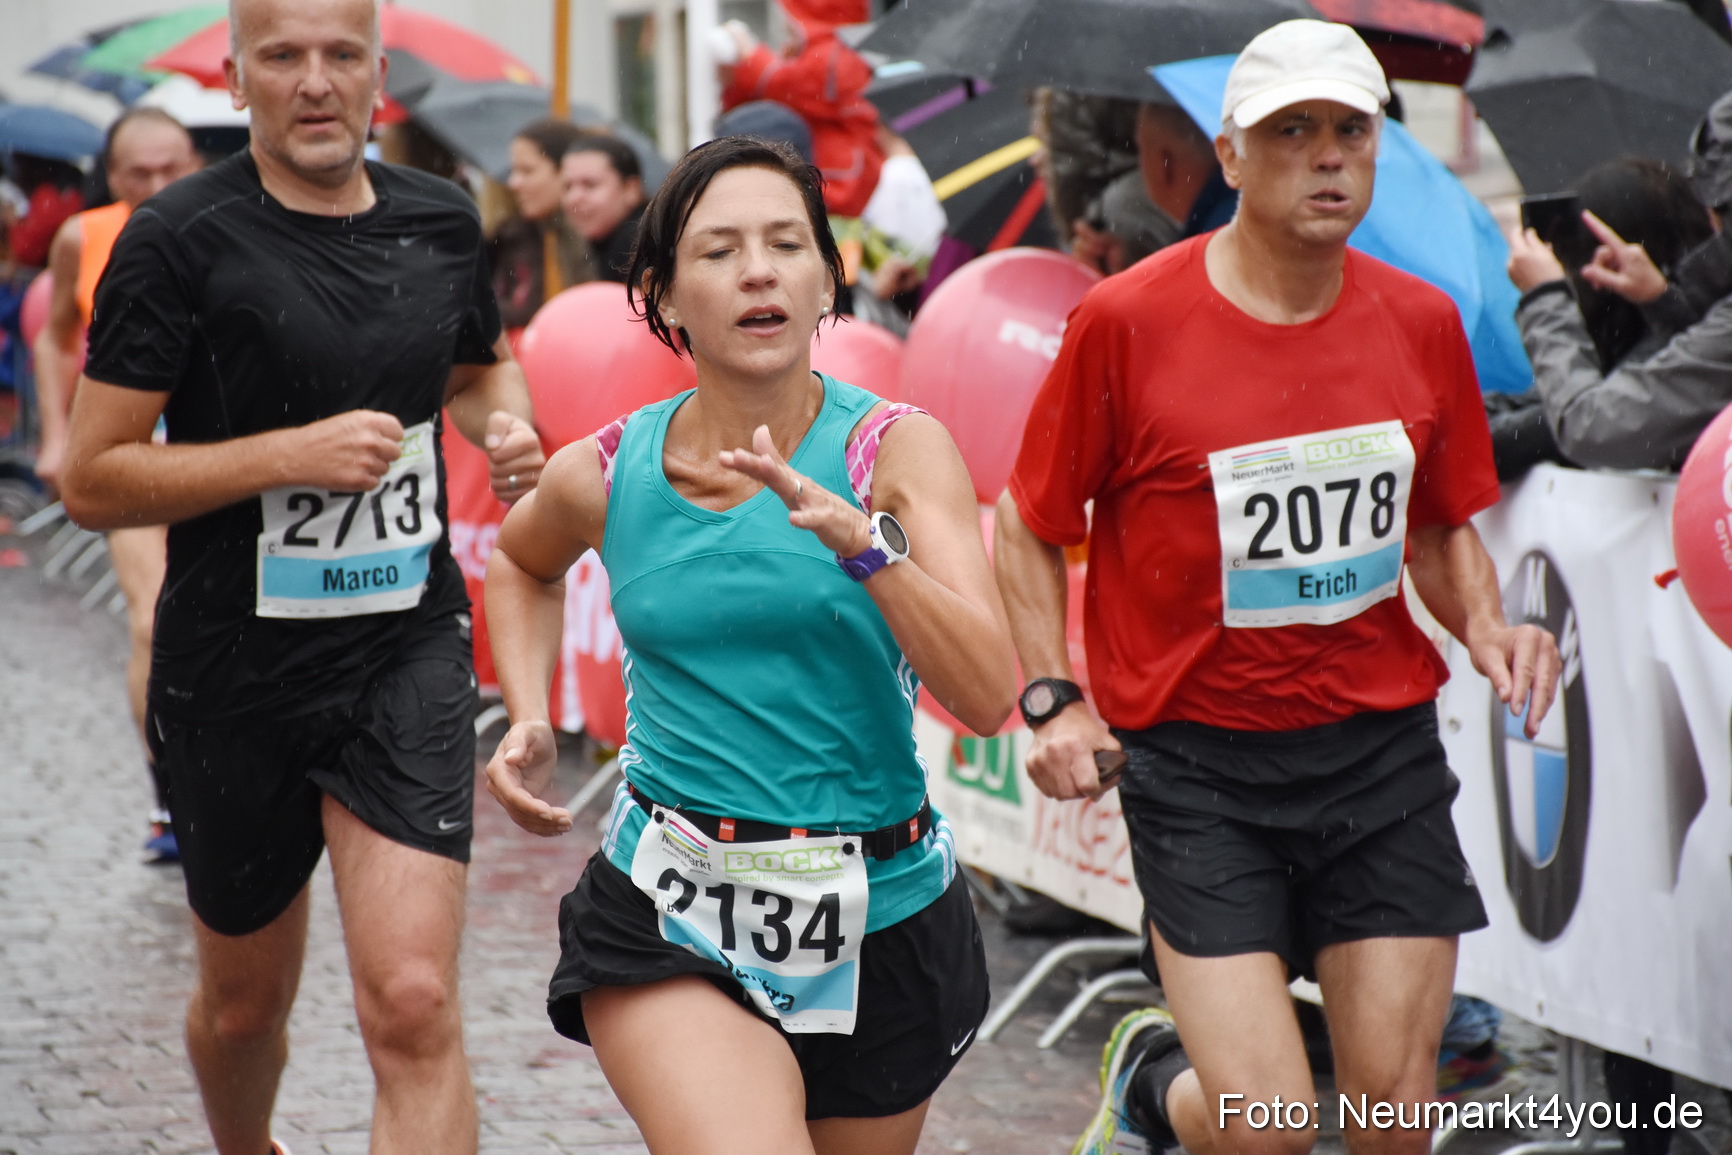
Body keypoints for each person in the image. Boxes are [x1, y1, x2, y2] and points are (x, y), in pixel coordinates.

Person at [991, 21, 1563, 1155]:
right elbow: (1026, 523)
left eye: (1350, 131)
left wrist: (1489, 626)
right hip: (1200, 770)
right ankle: (1158, 1084)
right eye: (1290, 132)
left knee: (1392, 1123)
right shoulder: (1126, 325)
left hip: (1378, 753)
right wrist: (1054, 702)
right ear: (1232, 157)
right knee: (1267, 1130)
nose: (1327, 156)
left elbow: (1440, 526)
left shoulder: (1419, 321)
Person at [57, 0, 544, 1151]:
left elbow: (480, 371)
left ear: (381, 75)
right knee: (242, 1007)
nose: (315, 81)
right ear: (236, 78)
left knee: (415, 1000)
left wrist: (506, 426)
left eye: (341, 56)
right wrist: (288, 457)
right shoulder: (174, 238)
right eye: (283, 57)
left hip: (404, 647)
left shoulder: (442, 219)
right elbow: (93, 478)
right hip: (233, 668)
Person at [482, 135, 1016, 1154]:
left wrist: (868, 552)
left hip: (884, 908)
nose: (758, 269)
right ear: (666, 296)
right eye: (720, 250)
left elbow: (988, 695)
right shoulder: (607, 469)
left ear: (829, 281)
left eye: (785, 244)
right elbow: (520, 565)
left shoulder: (897, 453)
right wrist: (527, 712)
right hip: (673, 900)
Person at [33, 106, 203, 861]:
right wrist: (55, 434)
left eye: (173, 168)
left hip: (225, 447)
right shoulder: (84, 236)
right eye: (141, 172)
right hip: (131, 447)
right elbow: (54, 335)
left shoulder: (231, 222)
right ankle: (168, 794)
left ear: (195, 162)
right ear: (113, 176)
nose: (160, 183)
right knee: (151, 620)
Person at [1507, 154, 1726, 471]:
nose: (1716, 222)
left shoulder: (1710, 326)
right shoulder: (1695, 314)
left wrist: (1546, 297)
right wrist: (1660, 300)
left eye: (1722, 209)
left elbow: (1586, 428)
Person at [493, 117, 597, 329]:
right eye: (514, 171)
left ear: (565, 171)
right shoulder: (524, 233)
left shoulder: (594, 235)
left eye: (527, 171)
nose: (514, 183)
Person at [558, 135, 646, 284]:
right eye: (568, 187)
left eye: (590, 185)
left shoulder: (639, 246)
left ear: (630, 189)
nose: (574, 198)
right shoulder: (599, 244)